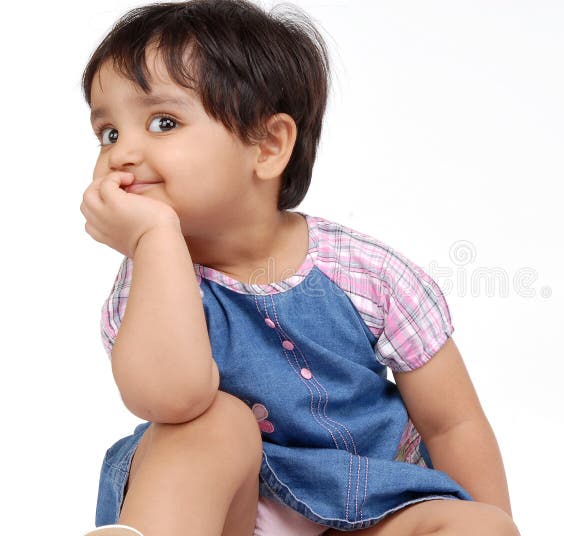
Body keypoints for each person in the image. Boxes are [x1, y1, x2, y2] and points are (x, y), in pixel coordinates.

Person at [80, 1, 518, 534]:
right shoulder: (149, 281)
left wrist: (493, 518)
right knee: (214, 422)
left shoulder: (364, 273)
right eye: (108, 133)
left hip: (368, 506)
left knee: (478, 526)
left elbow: (453, 423)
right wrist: (155, 240)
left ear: (267, 145)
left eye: (162, 122)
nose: (121, 154)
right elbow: (171, 399)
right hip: (224, 514)